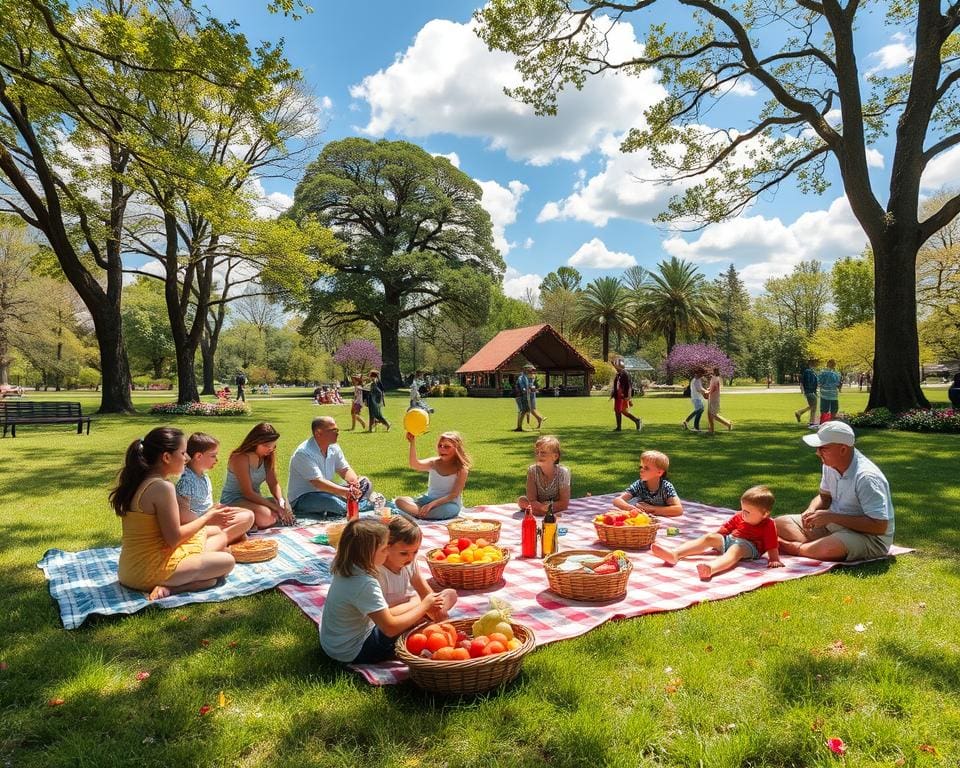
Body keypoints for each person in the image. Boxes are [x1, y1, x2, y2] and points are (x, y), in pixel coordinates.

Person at [111, 426, 235, 601]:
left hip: (129, 568)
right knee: (227, 561)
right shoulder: (161, 487)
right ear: (166, 457)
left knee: (218, 537)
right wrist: (208, 517)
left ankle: (200, 574)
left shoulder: (143, 480)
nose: (187, 458)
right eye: (183, 453)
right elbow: (174, 538)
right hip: (147, 571)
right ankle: (169, 587)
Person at [320, 519, 441, 664]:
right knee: (418, 631)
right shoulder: (364, 583)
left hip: (334, 645)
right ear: (368, 553)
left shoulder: (348, 566)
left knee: (416, 618)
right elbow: (390, 628)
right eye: (384, 549)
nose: (387, 553)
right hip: (355, 651)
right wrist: (423, 606)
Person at [775, 421, 895, 561]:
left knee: (830, 547)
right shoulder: (830, 464)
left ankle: (796, 548)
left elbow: (879, 526)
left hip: (869, 538)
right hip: (834, 527)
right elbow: (824, 497)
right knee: (781, 522)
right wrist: (811, 509)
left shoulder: (866, 477)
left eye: (823, 448)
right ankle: (813, 548)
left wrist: (832, 517)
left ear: (843, 449)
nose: (817, 452)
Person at [650, 485, 783, 581]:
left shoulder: (768, 524)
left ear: (765, 514)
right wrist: (717, 537)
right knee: (709, 537)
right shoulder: (740, 516)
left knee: (736, 549)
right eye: (742, 509)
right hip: (730, 540)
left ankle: (711, 568)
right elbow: (727, 527)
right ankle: (675, 554)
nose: (742, 513)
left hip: (749, 547)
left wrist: (774, 559)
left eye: (747, 512)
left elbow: (772, 544)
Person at [175, 432, 255, 544]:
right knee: (247, 517)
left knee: (247, 514)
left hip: (208, 518)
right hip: (199, 525)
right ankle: (218, 540)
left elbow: (204, 504)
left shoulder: (202, 476)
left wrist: (216, 509)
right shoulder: (187, 481)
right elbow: (184, 516)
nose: (216, 460)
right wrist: (210, 517)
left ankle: (231, 535)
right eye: (213, 456)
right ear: (198, 456)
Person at [287, 416, 374, 518]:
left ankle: (351, 504)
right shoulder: (303, 453)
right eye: (333, 430)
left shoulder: (334, 448)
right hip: (303, 498)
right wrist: (346, 492)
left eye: (337, 429)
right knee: (332, 502)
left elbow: (344, 469)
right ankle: (369, 504)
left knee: (365, 482)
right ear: (318, 433)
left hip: (327, 492)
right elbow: (318, 483)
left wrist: (354, 483)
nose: (337, 433)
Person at [377, 516, 457, 621]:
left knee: (450, 594)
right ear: (386, 548)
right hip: (397, 613)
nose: (411, 557)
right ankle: (422, 620)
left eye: (415, 552)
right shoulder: (379, 572)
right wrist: (421, 604)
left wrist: (436, 608)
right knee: (420, 605)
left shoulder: (409, 562)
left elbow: (423, 588)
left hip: (417, 604)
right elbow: (384, 615)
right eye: (403, 553)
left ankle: (427, 619)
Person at [220, 422, 292, 529]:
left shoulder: (268, 456)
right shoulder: (240, 458)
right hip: (234, 499)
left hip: (255, 499)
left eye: (273, 446)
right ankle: (248, 523)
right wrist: (277, 508)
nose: (270, 449)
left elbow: (273, 483)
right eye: (266, 446)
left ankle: (253, 523)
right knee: (267, 516)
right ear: (255, 442)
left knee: (285, 508)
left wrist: (281, 501)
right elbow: (248, 492)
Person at [394, 431, 471, 520]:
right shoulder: (434, 462)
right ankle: (421, 513)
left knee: (449, 510)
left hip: (449, 504)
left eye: (447, 447)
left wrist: (431, 505)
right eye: (440, 446)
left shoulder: (462, 469)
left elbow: (453, 495)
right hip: (428, 499)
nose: (442, 449)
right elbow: (414, 464)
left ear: (456, 449)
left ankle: (418, 513)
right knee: (400, 501)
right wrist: (412, 442)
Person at [612, 449, 683, 517]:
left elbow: (678, 510)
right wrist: (631, 509)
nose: (641, 470)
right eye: (641, 467)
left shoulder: (666, 487)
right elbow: (617, 500)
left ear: (659, 472)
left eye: (646, 468)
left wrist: (651, 508)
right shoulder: (639, 485)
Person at [517, 435, 570, 515]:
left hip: (555, 504)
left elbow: (564, 503)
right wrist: (541, 507)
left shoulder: (562, 472)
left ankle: (538, 511)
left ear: (555, 456)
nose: (539, 455)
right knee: (522, 501)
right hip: (538, 504)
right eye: (537, 452)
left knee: (529, 505)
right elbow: (531, 499)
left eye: (543, 453)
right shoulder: (532, 471)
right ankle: (541, 511)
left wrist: (547, 507)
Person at [610, 357, 642, 431]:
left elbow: (629, 386)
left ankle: (619, 427)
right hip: (618, 396)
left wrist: (629, 398)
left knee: (619, 410)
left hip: (622, 396)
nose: (615, 367)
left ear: (620, 366)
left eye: (616, 365)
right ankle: (636, 420)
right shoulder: (619, 373)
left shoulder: (625, 374)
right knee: (622, 411)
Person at [706, 366, 733, 433]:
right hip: (713, 398)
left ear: (714, 371)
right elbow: (713, 387)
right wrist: (709, 389)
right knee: (710, 414)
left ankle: (728, 424)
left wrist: (708, 392)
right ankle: (711, 429)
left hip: (714, 399)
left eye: (712, 371)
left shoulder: (715, 378)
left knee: (713, 415)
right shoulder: (715, 378)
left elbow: (715, 388)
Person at [794, 360, 819, 428]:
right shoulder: (809, 372)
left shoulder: (810, 372)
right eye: (816, 363)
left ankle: (800, 413)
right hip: (810, 391)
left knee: (811, 406)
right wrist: (804, 389)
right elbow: (806, 382)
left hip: (809, 392)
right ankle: (811, 422)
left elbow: (803, 382)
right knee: (814, 407)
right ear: (812, 364)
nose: (817, 365)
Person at [817, 358, 842, 423]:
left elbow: (819, 382)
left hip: (825, 394)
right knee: (834, 409)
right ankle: (831, 423)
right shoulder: (837, 373)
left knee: (824, 409)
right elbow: (838, 383)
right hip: (833, 394)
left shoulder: (823, 372)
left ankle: (823, 422)